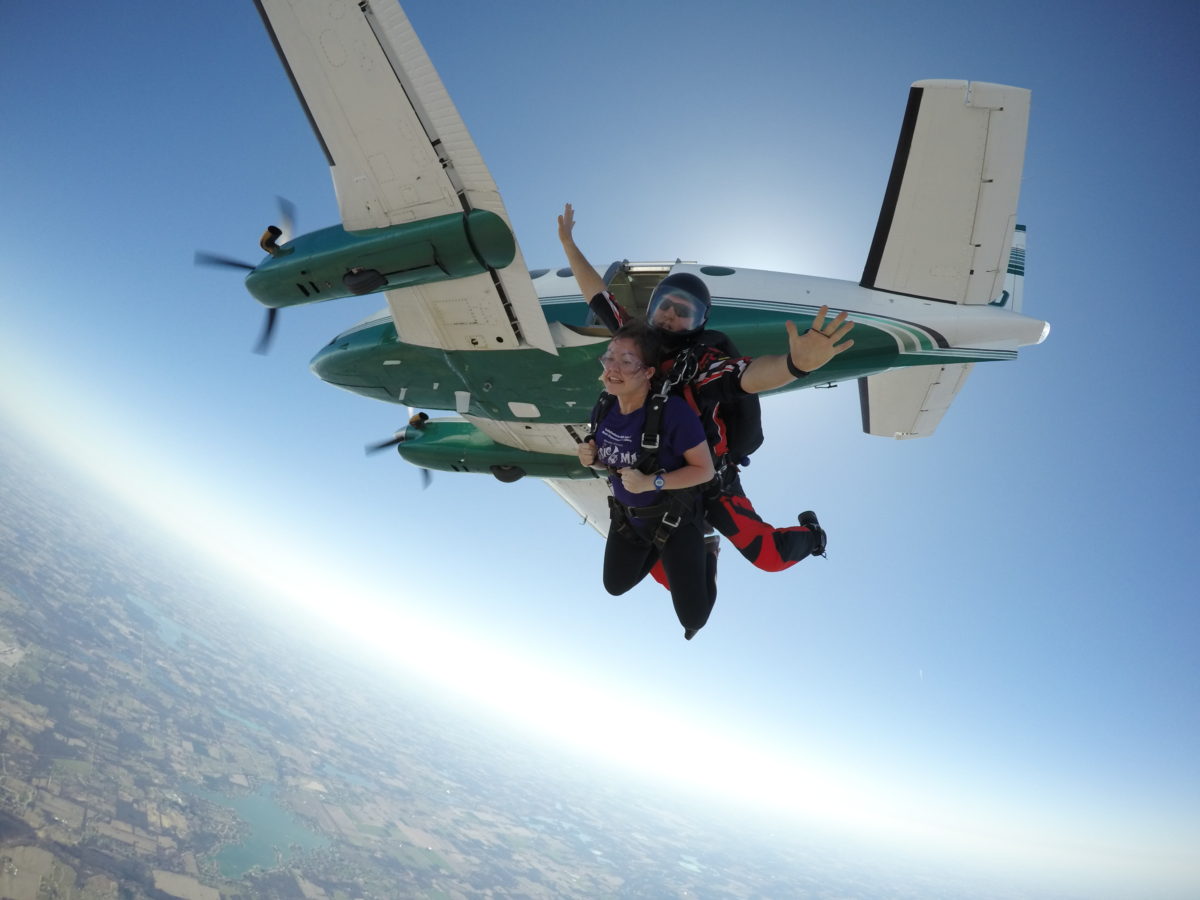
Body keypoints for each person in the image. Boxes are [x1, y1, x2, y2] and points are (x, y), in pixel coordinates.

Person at [558, 202, 854, 573]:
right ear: (651, 307)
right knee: (657, 568)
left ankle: (812, 535)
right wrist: (568, 243)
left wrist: (795, 366)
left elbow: (746, 376)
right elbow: (597, 296)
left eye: (684, 312)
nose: (670, 315)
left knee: (770, 558)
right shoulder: (634, 343)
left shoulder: (701, 363)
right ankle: (707, 553)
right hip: (656, 472)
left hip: (710, 478)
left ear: (698, 322)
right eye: (665, 305)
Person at [579, 320, 717, 640]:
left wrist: (651, 483)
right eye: (610, 356)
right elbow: (611, 460)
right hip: (629, 520)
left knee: (694, 617)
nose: (613, 367)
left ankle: (708, 554)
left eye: (626, 361)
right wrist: (592, 457)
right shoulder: (603, 406)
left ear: (649, 372)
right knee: (614, 587)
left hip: (674, 520)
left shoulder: (674, 414)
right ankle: (659, 553)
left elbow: (704, 470)